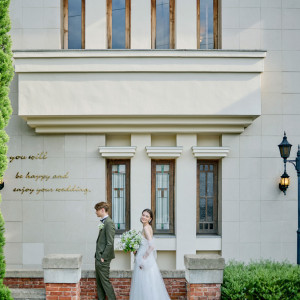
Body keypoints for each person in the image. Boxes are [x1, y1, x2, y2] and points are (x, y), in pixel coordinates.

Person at [130, 208, 171, 300]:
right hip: (146, 257)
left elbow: (151, 246)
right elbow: (144, 243)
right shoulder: (148, 227)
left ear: (150, 219)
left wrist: (143, 259)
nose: (144, 217)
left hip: (145, 260)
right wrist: (135, 249)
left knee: (144, 284)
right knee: (149, 284)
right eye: (143, 215)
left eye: (146, 216)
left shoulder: (146, 228)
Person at [94, 202, 116, 300]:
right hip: (98, 257)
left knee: (105, 283)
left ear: (102, 210)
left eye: (97, 210)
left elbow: (110, 243)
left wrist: (103, 257)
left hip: (103, 258)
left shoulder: (109, 223)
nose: (95, 212)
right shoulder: (104, 222)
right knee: (99, 284)